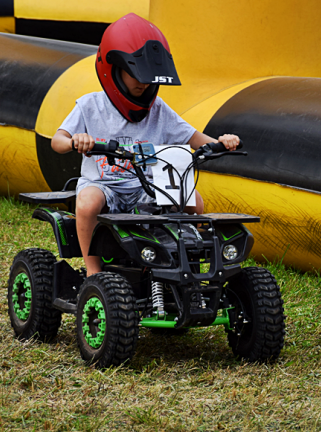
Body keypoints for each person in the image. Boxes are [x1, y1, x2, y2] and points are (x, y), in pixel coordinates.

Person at [51, 13, 239, 276]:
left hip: (146, 187)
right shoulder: (90, 105)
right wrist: (75, 141)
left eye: (150, 75)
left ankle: (185, 267)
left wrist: (222, 142)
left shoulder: (158, 110)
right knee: (87, 203)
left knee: (193, 200)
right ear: (113, 69)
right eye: (136, 74)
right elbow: (56, 142)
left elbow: (196, 138)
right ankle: (93, 273)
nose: (144, 82)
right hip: (105, 186)